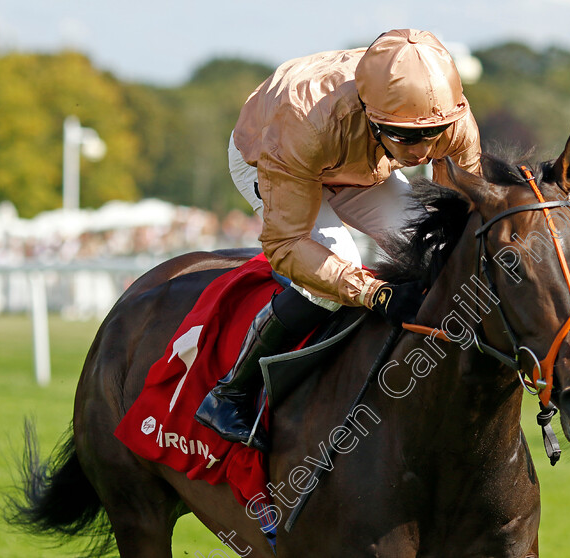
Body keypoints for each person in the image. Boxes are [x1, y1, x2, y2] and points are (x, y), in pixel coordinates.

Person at [195, 29, 482, 450]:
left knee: (434, 252)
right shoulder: (303, 125)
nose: (421, 152)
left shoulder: (453, 120)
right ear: (372, 115)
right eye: (405, 136)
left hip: (360, 162)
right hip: (277, 152)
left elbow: (459, 220)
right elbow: (286, 246)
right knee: (332, 276)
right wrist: (376, 294)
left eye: (432, 133)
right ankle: (230, 393)